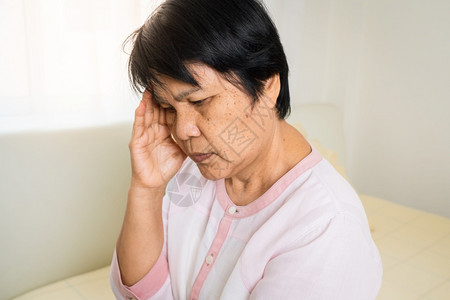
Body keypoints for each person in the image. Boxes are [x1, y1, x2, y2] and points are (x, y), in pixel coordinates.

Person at [110, 0, 382, 299]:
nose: (182, 130)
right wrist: (146, 189)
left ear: (267, 86)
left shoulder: (326, 226)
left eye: (199, 101)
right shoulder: (191, 173)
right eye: (167, 108)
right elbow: (142, 292)